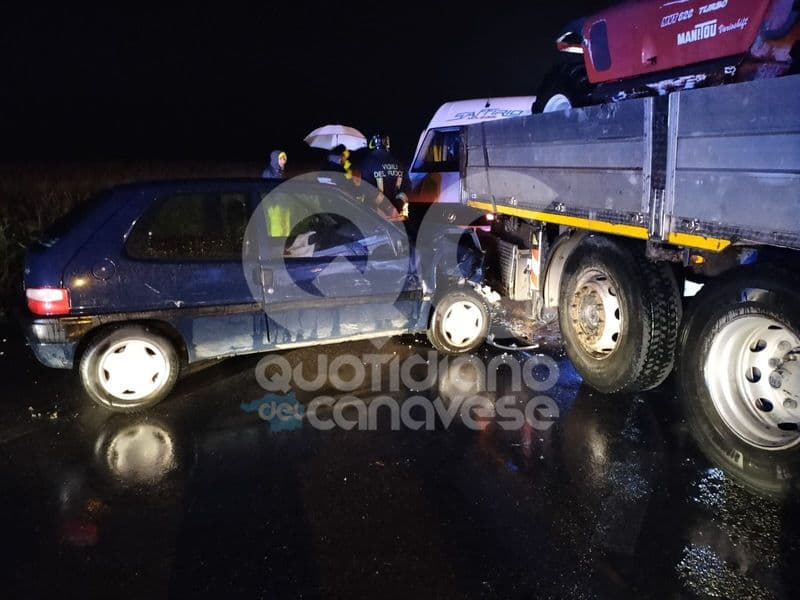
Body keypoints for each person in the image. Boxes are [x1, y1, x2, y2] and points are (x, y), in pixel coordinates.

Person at [357, 133, 409, 217]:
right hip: (397, 212)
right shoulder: (398, 162)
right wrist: (398, 206)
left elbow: (367, 188)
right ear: (387, 143)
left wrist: (388, 207)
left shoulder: (368, 162)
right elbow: (407, 186)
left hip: (377, 214)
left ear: (373, 143)